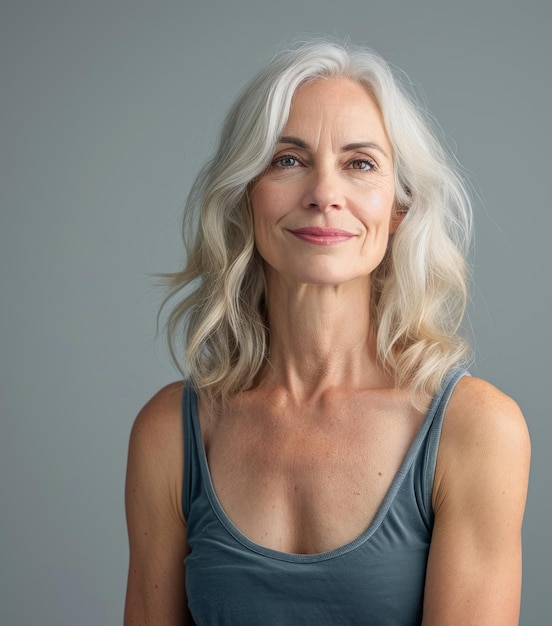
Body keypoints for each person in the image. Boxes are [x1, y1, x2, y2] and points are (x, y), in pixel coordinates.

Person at [124, 39, 530, 625]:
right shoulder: (171, 433)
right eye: (288, 160)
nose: (324, 195)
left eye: (360, 164)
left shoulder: (475, 429)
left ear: (399, 209)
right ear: (245, 197)